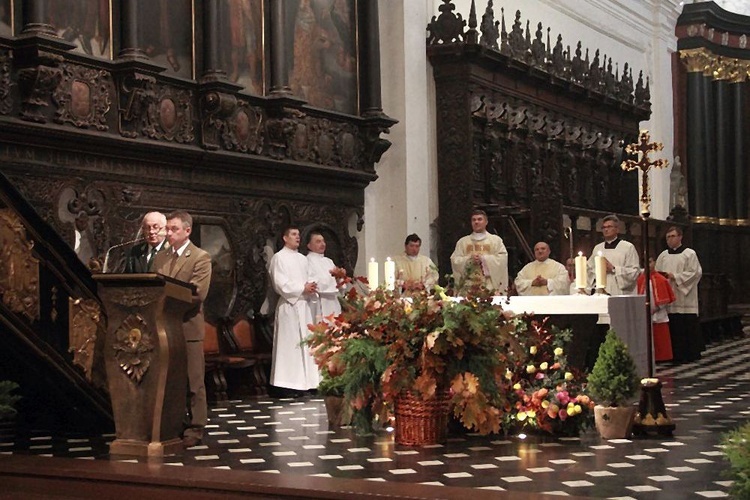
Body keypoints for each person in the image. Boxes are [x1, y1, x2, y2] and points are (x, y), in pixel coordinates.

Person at [152, 211, 212, 448]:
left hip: (187, 327)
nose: (168, 233)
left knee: (193, 380)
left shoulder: (200, 257)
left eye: (173, 229)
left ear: (187, 230)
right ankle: (172, 423)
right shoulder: (161, 257)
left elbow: (197, 293)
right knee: (170, 381)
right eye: (167, 228)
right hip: (164, 328)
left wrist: (165, 301)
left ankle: (196, 427)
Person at [269, 226, 320, 396]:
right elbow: (279, 282)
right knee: (290, 347)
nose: (297, 237)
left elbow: (311, 276)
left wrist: (311, 286)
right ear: (285, 238)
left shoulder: (303, 259)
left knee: (307, 345)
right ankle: (288, 385)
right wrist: (301, 288)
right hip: (289, 306)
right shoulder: (279, 258)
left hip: (304, 306)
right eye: (293, 234)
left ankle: (308, 383)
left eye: (298, 235)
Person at [655, 226, 703, 363]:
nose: (670, 240)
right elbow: (657, 273)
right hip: (669, 296)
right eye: (668, 237)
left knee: (686, 325)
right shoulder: (663, 255)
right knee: (673, 326)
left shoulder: (689, 254)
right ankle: (673, 354)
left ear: (680, 237)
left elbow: (695, 272)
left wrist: (675, 277)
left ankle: (690, 354)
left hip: (684, 296)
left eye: (673, 236)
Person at [450, 210, 508, 294]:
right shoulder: (463, 242)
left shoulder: (496, 240)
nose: (476, 222)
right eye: (474, 220)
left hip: (488, 286)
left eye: (479, 219)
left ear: (486, 222)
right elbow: (455, 260)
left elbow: (502, 259)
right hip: (468, 286)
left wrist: (484, 259)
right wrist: (469, 259)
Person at [587, 214, 640, 295]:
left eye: (609, 227)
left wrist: (613, 268)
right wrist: (599, 268)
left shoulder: (627, 247)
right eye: (604, 227)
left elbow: (634, 272)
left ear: (617, 229)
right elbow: (589, 269)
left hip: (619, 291)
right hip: (600, 290)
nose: (606, 230)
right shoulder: (598, 248)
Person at [637, 258, 676, 362]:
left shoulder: (661, 279)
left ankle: (662, 357)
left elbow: (665, 298)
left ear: (654, 263)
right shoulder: (641, 279)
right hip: (645, 313)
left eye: (650, 262)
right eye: (645, 263)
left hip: (658, 313)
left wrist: (656, 308)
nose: (648, 265)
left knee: (660, 337)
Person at [306, 231, 342, 322]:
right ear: (309, 245)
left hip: (333, 301)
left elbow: (340, 285)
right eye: (318, 242)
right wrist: (330, 282)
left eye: (323, 241)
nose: (323, 244)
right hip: (319, 302)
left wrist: (340, 277)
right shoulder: (307, 261)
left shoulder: (329, 261)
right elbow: (313, 283)